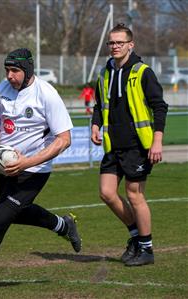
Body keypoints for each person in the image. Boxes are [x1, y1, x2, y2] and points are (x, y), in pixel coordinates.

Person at [0, 48, 81, 296]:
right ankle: (64, 226)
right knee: (16, 213)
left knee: (0, 218)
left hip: (35, 170)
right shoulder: (1, 89)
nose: (9, 76)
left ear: (28, 70)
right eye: (7, 70)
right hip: (7, 168)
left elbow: (64, 139)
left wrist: (27, 162)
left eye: (15, 71)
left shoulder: (46, 94)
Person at [91, 24, 168, 267]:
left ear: (130, 45)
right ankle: (136, 237)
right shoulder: (105, 73)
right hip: (113, 145)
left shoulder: (143, 72)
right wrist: (95, 125)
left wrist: (157, 141)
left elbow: (160, 107)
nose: (114, 47)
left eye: (119, 43)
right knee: (106, 193)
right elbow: (98, 105)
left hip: (138, 145)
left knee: (135, 195)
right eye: (111, 43)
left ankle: (146, 249)